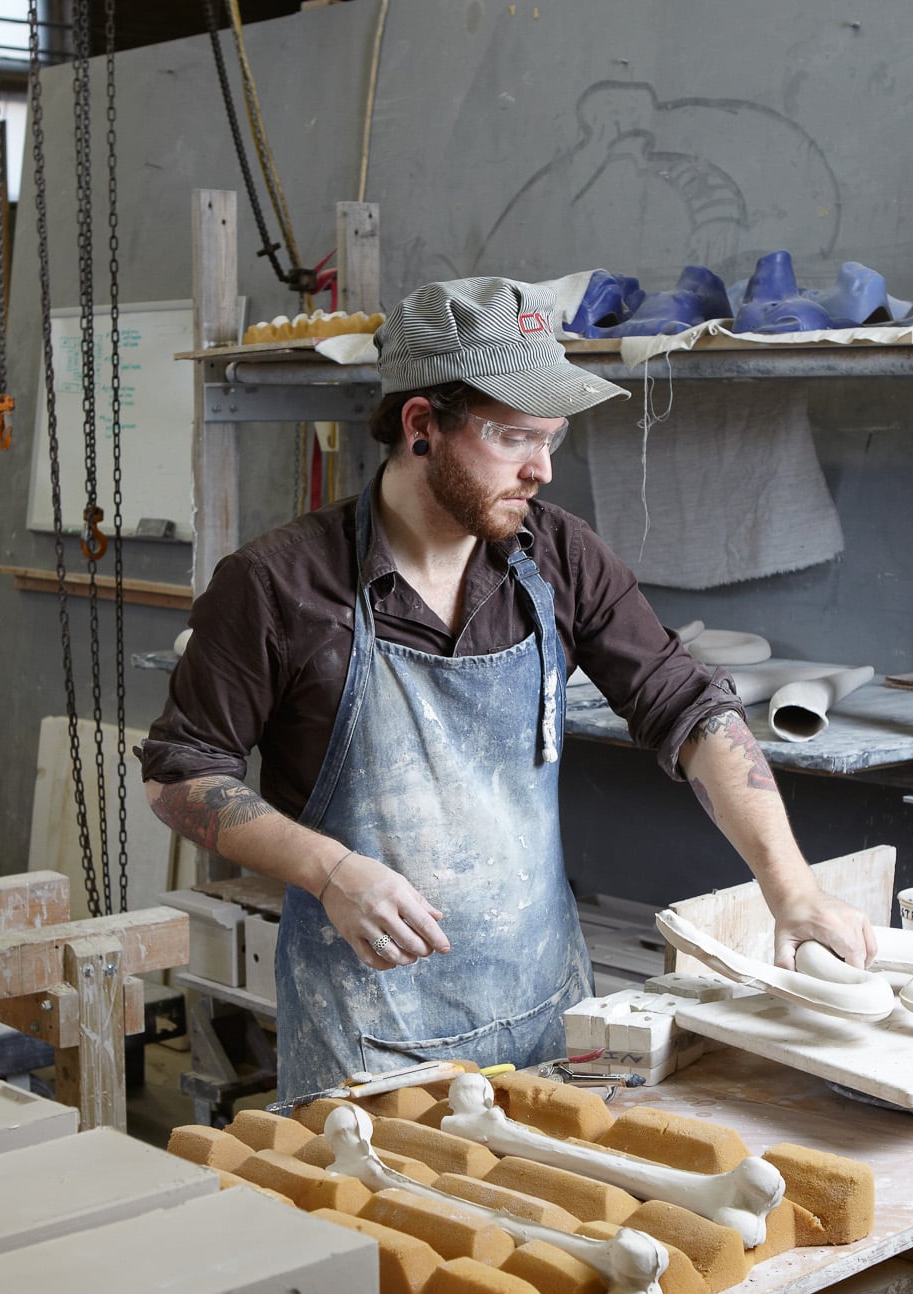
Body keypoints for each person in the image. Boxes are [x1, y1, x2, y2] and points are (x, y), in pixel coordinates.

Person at [141, 276, 874, 1097]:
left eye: (551, 439)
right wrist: (329, 869)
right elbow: (180, 777)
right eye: (516, 438)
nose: (543, 470)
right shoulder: (278, 585)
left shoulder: (560, 557)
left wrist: (794, 889)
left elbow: (693, 710)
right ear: (422, 426)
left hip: (549, 1016)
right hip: (368, 1044)